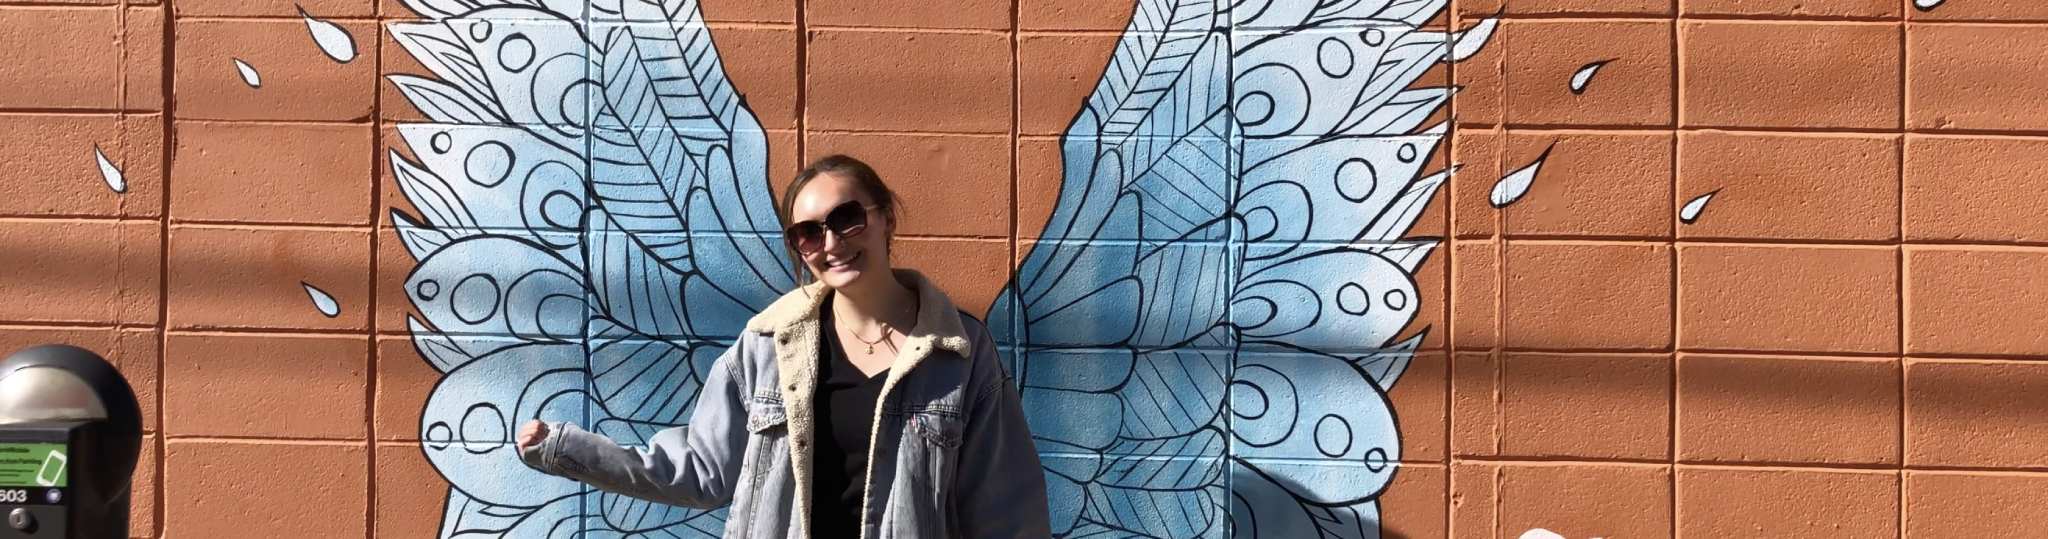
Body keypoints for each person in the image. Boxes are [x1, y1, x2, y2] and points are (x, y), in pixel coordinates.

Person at [514, 155, 1051, 538]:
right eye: (809, 233)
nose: (832, 244)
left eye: (847, 219)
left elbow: (1006, 509)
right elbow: (700, 471)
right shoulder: (766, 347)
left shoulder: (957, 353)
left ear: (886, 217)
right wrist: (566, 449)